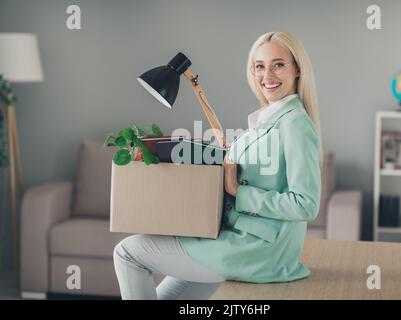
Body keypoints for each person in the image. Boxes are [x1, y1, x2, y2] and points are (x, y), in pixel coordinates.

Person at [113, 31, 323, 300]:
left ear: (297, 69)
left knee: (127, 253)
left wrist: (239, 191)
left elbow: (306, 204)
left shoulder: (295, 124)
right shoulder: (269, 119)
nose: (267, 75)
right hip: (229, 237)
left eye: (278, 64)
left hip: (254, 249)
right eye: (260, 66)